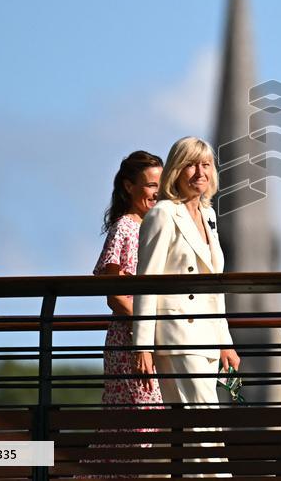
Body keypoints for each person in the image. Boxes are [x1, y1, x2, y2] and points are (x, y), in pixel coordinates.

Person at [132, 136, 240, 478]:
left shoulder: (208, 215)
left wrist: (226, 341)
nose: (199, 172)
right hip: (178, 334)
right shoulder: (164, 213)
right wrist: (143, 346)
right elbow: (147, 280)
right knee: (205, 430)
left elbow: (214, 287)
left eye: (206, 164)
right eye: (191, 164)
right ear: (177, 170)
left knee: (195, 433)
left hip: (207, 337)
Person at [93, 150, 165, 410]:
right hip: (129, 338)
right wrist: (143, 325)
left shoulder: (159, 229)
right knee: (136, 417)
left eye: (161, 185)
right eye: (150, 185)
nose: (157, 193)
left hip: (154, 336)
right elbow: (114, 296)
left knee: (151, 419)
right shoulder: (124, 227)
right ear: (129, 187)